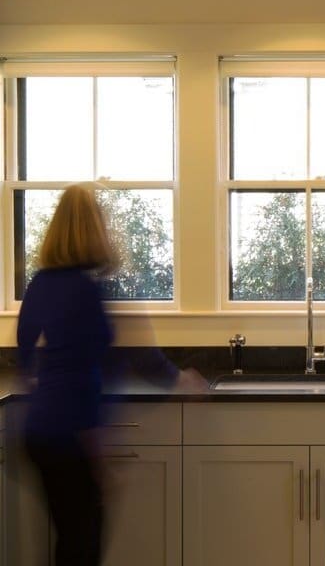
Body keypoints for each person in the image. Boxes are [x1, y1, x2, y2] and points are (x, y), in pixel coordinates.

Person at [16, 184, 206, 566]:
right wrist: (97, 453)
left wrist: (44, 380)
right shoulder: (89, 292)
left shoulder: (40, 283)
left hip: (38, 432)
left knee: (69, 537)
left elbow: (26, 353)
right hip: (73, 433)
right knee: (82, 544)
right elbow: (104, 369)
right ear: (96, 230)